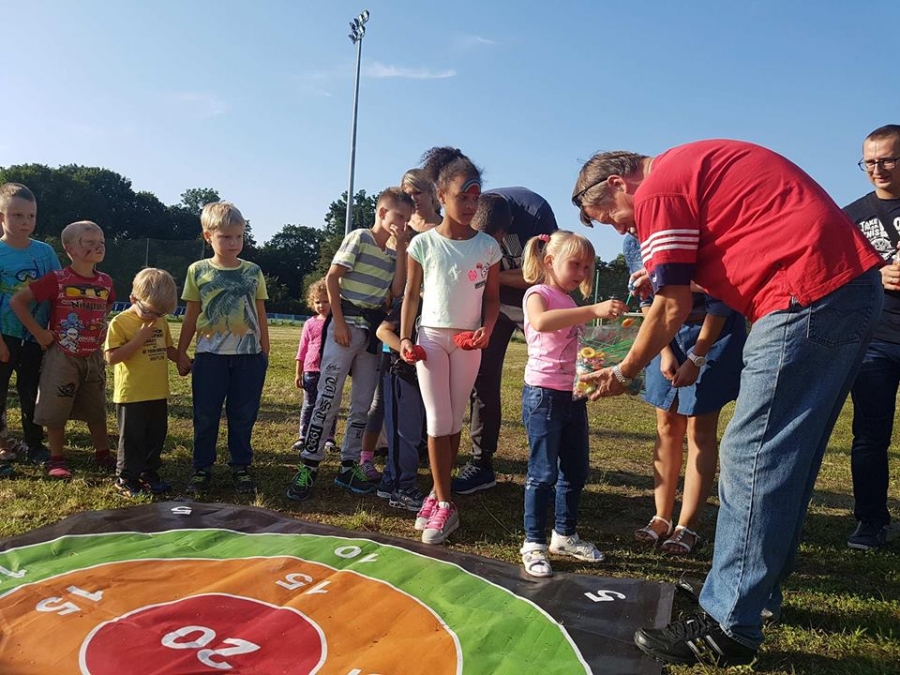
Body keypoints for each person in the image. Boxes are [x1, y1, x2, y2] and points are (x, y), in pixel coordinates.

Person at [572, 140, 883, 666]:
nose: (625, 228)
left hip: (803, 295)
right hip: (842, 289)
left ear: (619, 184)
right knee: (787, 460)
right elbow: (737, 247)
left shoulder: (659, 188)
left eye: (614, 217)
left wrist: (624, 371)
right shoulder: (689, 167)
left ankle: (728, 624)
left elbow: (671, 306)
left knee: (751, 456)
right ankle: (753, 597)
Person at [400, 146, 502, 545]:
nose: (471, 205)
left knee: (454, 420)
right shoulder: (423, 244)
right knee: (438, 421)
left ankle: (436, 493)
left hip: (468, 343)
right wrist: (405, 336)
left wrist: (487, 330)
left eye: (476, 197)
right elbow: (411, 294)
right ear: (441, 195)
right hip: (431, 340)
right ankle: (446, 503)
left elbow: (492, 300)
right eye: (463, 197)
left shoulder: (487, 247)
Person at [622, 234, 746, 555]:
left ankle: (686, 527)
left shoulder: (699, 233)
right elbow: (648, 299)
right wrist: (663, 350)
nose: (623, 229)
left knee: (699, 429)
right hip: (667, 329)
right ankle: (661, 518)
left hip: (715, 331)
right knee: (666, 426)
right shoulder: (633, 241)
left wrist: (697, 357)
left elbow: (721, 296)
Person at [287, 188, 412, 501]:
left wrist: (401, 248)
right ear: (382, 213)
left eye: (407, 219)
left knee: (362, 404)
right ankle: (309, 464)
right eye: (399, 216)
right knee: (327, 397)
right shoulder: (359, 237)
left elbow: (397, 290)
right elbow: (332, 278)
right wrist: (339, 323)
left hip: (370, 336)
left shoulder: (393, 253)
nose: (403, 223)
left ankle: (348, 465)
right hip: (345, 330)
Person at [518, 231, 623, 577]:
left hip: (573, 394)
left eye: (587, 267)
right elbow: (540, 322)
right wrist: (591, 310)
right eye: (575, 264)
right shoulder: (539, 294)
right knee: (542, 473)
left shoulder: (569, 301)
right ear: (550, 261)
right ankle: (533, 543)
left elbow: (583, 348)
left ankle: (564, 535)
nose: (581, 272)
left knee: (575, 470)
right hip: (544, 396)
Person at [453, 187, 558, 495]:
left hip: (534, 296)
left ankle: (558, 465)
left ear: (509, 227)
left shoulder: (536, 214)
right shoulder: (472, 208)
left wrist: (491, 275)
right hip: (491, 298)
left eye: (496, 241)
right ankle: (481, 463)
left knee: (556, 371)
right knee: (482, 376)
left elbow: (542, 274)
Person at [176, 201, 269, 495]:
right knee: (205, 415)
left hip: (248, 358)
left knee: (243, 415)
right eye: (226, 237)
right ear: (208, 236)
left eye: (239, 236)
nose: (233, 243)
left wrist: (264, 353)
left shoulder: (253, 271)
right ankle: (202, 468)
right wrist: (181, 352)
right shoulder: (198, 270)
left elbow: (260, 313)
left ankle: (241, 466)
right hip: (210, 357)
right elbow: (191, 314)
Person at [11, 220, 116, 480]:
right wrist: (39, 333)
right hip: (61, 356)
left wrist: (99, 326)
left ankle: (103, 453)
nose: (98, 246)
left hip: (93, 356)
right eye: (89, 242)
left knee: (96, 408)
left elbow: (108, 305)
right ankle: (56, 458)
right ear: (70, 249)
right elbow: (18, 301)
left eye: (101, 242)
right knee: (55, 409)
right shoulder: (58, 279)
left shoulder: (106, 281)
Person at [843, 123, 900, 551]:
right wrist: (875, 274)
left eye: (887, 160)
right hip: (875, 340)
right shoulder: (850, 216)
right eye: (869, 162)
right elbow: (836, 273)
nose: (877, 169)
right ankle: (871, 521)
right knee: (869, 435)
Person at [0, 183, 60, 474]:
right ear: (2, 217)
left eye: (31, 216)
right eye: (17, 216)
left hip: (37, 338)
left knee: (30, 392)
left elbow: (58, 291)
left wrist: (51, 333)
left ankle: (35, 444)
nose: (25, 222)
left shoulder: (45, 252)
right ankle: (1, 445)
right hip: (5, 336)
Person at [104, 268, 178, 498]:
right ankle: (126, 478)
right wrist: (138, 340)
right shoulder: (121, 322)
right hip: (132, 394)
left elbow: (168, 348)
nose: (154, 317)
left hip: (157, 391)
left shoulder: (159, 321)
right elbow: (111, 357)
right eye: (149, 311)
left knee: (156, 435)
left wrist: (183, 360)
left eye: (160, 313)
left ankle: (148, 473)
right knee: (132, 438)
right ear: (133, 298)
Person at [374, 299, 426, 511]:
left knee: (415, 433)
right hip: (402, 374)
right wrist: (406, 351)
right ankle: (401, 488)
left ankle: (389, 481)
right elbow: (383, 331)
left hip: (425, 377)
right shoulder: (415, 301)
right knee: (405, 434)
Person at [292, 278, 336, 454]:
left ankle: (329, 437)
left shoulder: (337, 322)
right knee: (309, 404)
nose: (321, 305)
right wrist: (298, 373)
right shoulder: (309, 323)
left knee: (329, 404)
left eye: (326, 301)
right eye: (318, 302)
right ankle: (303, 435)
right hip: (311, 370)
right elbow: (302, 349)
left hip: (330, 369)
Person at [402, 167, 442, 234]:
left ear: (431, 192)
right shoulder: (401, 227)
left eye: (417, 193)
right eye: (409, 195)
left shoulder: (447, 226)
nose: (413, 199)